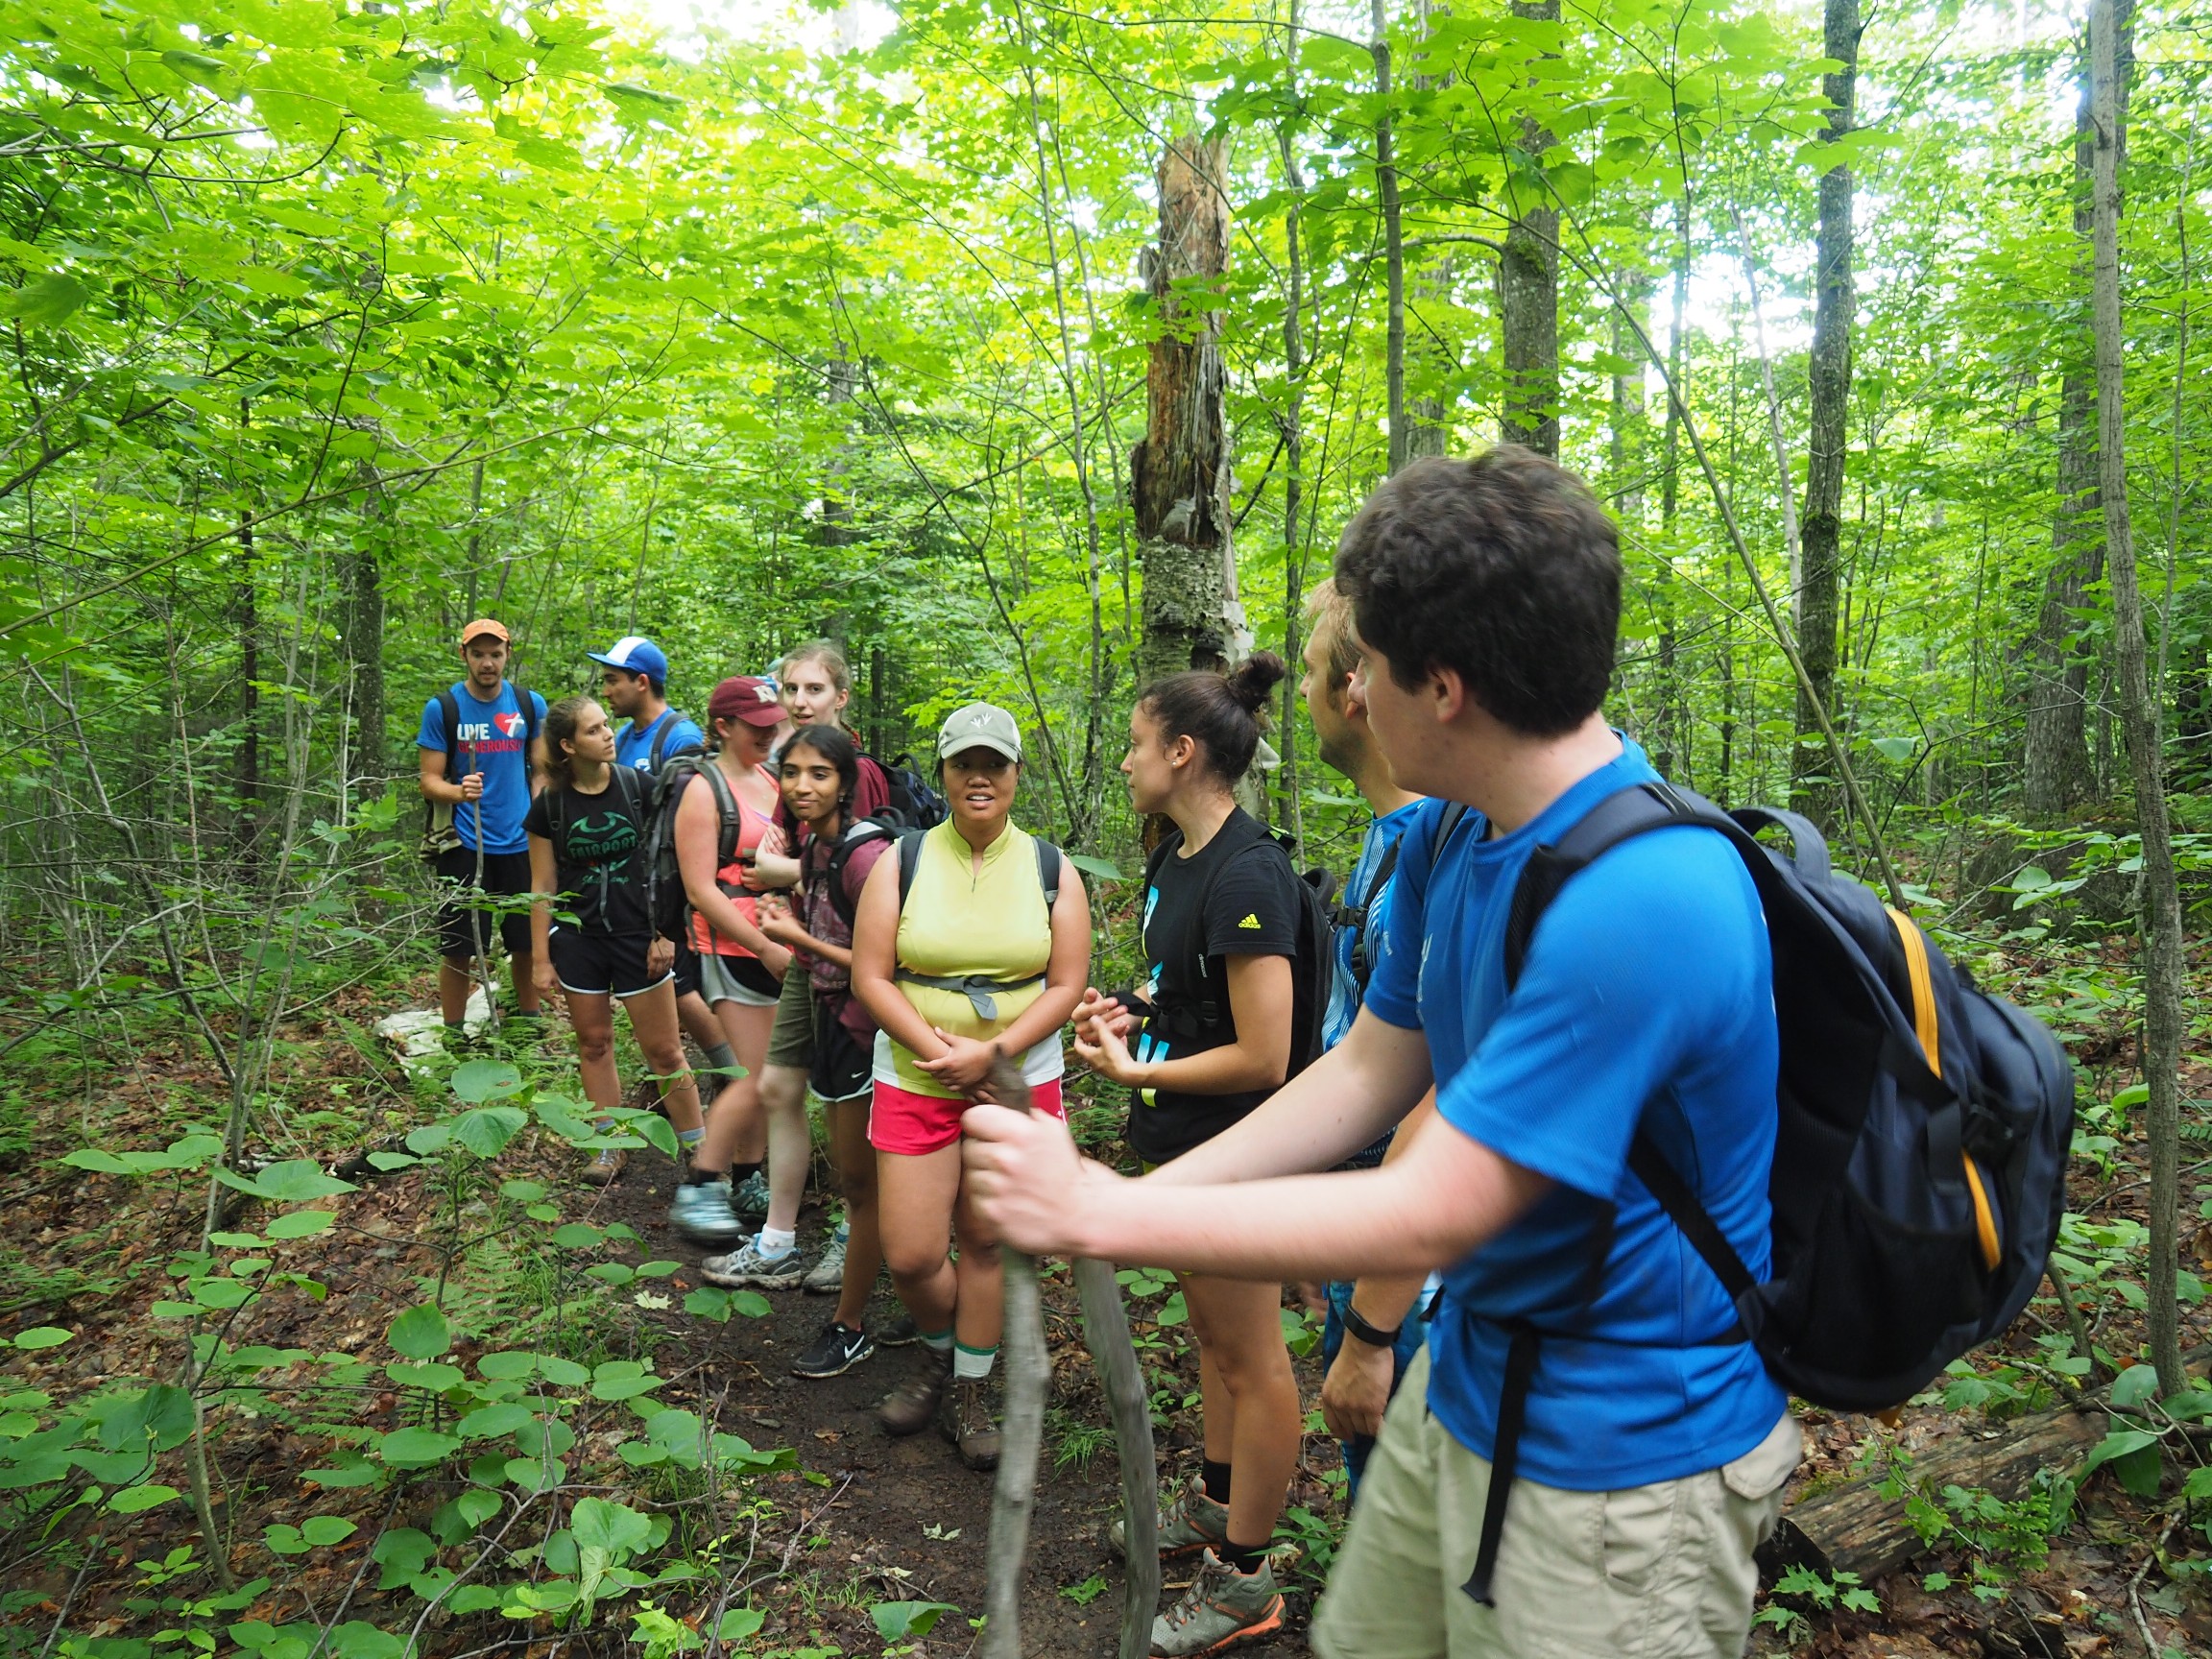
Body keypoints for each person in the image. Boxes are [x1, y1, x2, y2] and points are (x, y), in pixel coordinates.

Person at [964, 448, 1799, 1659]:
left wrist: (1104, 1215)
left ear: (1443, 688)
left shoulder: (1647, 898)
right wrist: (1133, 1191)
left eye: (1365, 670)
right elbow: (1366, 1073)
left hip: (1621, 1478)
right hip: (1465, 1388)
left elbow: (1431, 1208)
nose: (1349, 696)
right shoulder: (1455, 833)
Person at [1067, 654, 1308, 1656]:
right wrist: (1133, 1011)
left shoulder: (1250, 873)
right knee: (1215, 1339)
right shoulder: (1176, 858)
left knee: (1253, 1358)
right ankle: (1215, 1502)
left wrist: (1132, 1073)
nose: (1125, 761)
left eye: (1135, 744)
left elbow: (1266, 1053)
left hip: (1239, 1150)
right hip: (1182, 1143)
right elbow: (1186, 989)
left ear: (1181, 751)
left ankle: (1246, 1578)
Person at [850, 703, 1090, 1469]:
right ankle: (939, 1348)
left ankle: (969, 1386)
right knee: (912, 1254)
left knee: (985, 1240)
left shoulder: (1051, 868)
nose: (979, 778)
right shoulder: (903, 860)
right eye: (964, 764)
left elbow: (1067, 982)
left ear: (1017, 774)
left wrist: (994, 1056)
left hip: (1017, 1080)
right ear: (945, 774)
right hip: (916, 1075)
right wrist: (938, 1052)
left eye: (994, 764)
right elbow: (870, 976)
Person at [1300, 578, 1437, 1501]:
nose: (1306, 690)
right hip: (1364, 1226)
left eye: (1315, 669)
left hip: (1418, 1274)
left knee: (1414, 1518)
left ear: (1357, 689)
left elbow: (1443, 1096)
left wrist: (1374, 1328)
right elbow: (1358, 1057)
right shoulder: (1391, 839)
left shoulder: (1441, 846)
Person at [753, 725, 902, 1377]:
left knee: (860, 1185)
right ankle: (919, 1305)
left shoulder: (864, 859)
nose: (802, 786)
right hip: (835, 1022)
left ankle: (850, 1325)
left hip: (866, 1034)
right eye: (792, 773)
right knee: (862, 1181)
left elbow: (882, 965)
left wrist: (794, 935)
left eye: (819, 774)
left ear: (845, 783)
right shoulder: (816, 847)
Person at [524, 696, 705, 1223]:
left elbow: (670, 866)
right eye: (594, 729)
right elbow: (542, 883)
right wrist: (540, 959)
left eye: (607, 725)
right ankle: (609, 1143)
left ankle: (699, 1147)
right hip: (579, 939)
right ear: (567, 745)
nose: (608, 734)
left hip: (638, 936)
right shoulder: (549, 807)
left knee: (665, 1051)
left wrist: (666, 933)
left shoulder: (637, 787)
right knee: (594, 1043)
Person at [580, 634, 734, 1190]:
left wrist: (671, 912)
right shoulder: (622, 737)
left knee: (680, 987)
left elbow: (687, 820)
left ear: (641, 682)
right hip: (629, 897)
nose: (607, 690)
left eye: (613, 680)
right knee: (675, 992)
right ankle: (698, 1079)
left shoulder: (680, 738)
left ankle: (727, 1071)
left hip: (670, 896)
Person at [754, 638, 883, 1294]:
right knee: (779, 1088)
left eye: (814, 689)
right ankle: (776, 1240)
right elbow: (787, 861)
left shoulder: (860, 772)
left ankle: (854, 1235)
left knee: (855, 1115)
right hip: (809, 953)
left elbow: (858, 872)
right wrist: (784, 890)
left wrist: (781, 875)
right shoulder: (793, 767)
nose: (801, 701)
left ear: (841, 696)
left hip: (853, 971)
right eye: (791, 689)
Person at [662, 676, 804, 1249]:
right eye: (756, 727)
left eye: (773, 726)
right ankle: (699, 1187)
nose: (768, 735)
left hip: (781, 941)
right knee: (759, 1075)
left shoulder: (771, 778)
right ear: (723, 726)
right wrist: (764, 946)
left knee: (776, 1074)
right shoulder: (703, 790)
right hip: (732, 948)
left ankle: (747, 1179)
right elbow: (701, 889)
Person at [416, 618, 548, 1037]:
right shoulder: (444, 709)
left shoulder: (529, 705)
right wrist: (458, 792)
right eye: (478, 654)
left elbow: (541, 770)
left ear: (508, 654)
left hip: (521, 844)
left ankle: (527, 1029)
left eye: (495, 654)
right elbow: (428, 780)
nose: (487, 663)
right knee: (458, 949)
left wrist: (541, 816)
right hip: (464, 846)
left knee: (526, 944)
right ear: (464, 655)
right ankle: (454, 1036)